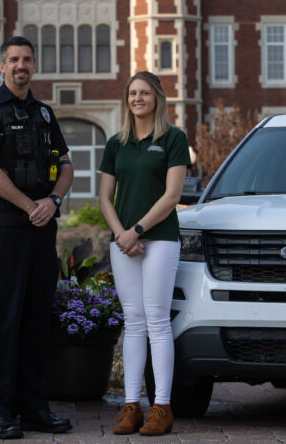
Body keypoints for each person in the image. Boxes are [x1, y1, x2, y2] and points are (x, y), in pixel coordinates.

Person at [0, 36, 74, 440]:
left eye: (27, 59)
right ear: (1, 66)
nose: (21, 65)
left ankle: (34, 409)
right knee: (3, 323)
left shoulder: (45, 114)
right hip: (7, 232)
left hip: (42, 233)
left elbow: (65, 164)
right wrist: (30, 206)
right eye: (14, 60)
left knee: (35, 323)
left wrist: (54, 199)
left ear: (34, 66)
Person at [99, 71, 190, 436]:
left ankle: (162, 407)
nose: (138, 98)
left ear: (157, 98)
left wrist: (137, 230)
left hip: (160, 240)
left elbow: (171, 196)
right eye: (133, 93)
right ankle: (131, 406)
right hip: (123, 242)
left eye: (145, 93)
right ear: (127, 99)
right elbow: (105, 197)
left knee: (156, 320)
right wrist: (122, 235)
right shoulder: (115, 144)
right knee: (133, 322)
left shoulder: (173, 138)